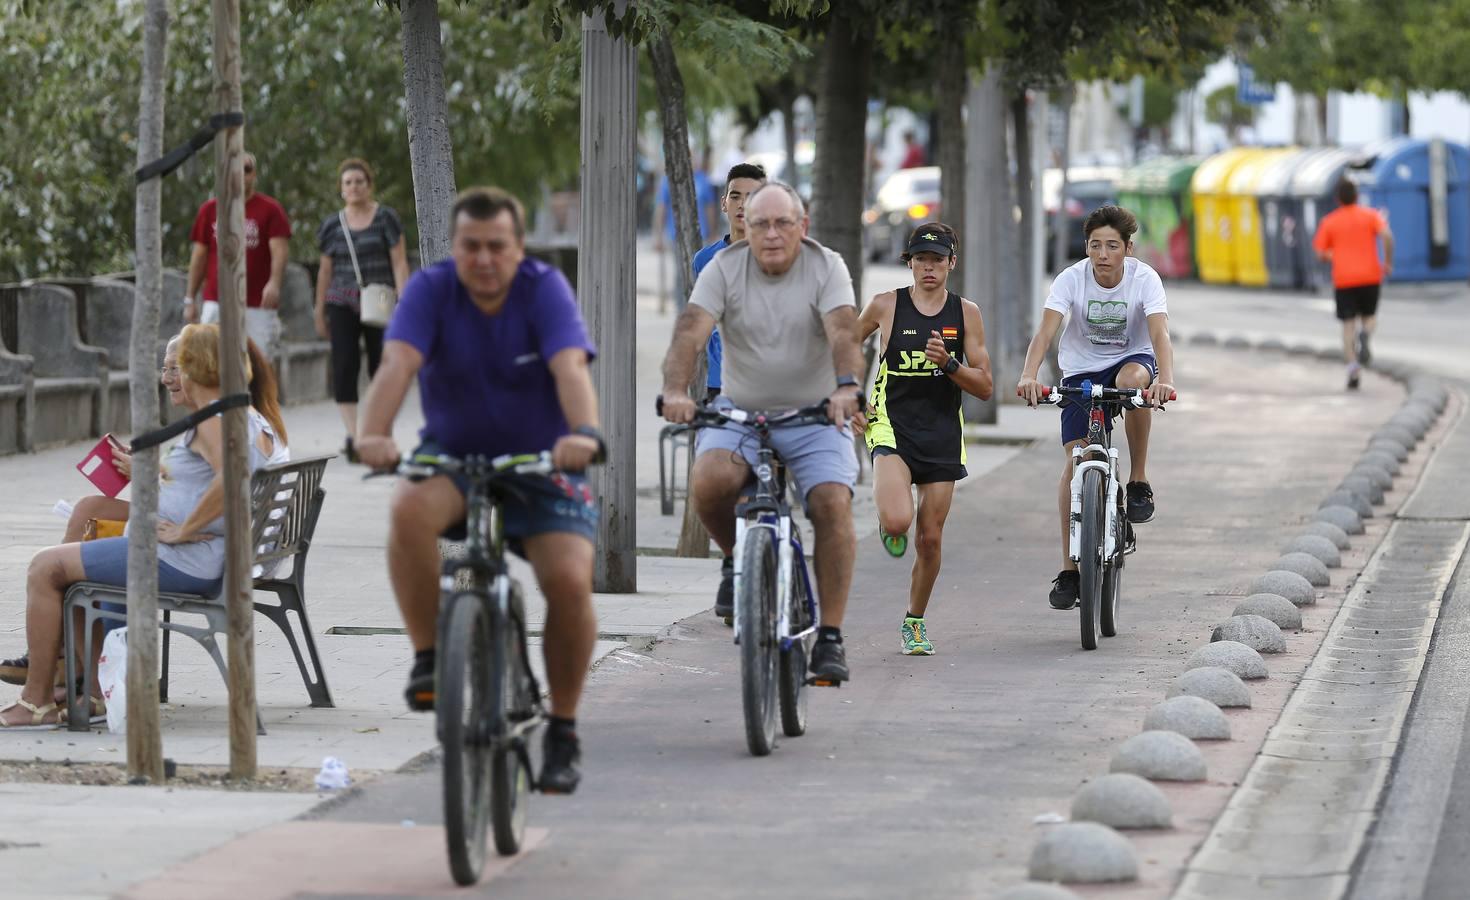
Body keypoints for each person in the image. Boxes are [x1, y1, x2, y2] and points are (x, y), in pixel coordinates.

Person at [354, 187, 603, 794]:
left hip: (543, 459)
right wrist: (371, 434)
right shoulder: (431, 291)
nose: (484, 259)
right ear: (454, 248)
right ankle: (430, 659)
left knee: (569, 581)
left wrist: (585, 433)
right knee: (408, 507)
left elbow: (570, 368)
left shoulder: (544, 289)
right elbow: (396, 366)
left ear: (519, 249)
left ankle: (564, 729)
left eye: (497, 247)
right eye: (471, 247)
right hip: (455, 456)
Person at [0, 324, 285, 729]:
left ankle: (36, 701)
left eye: (176, 366)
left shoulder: (218, 418)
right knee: (84, 529)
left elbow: (232, 478)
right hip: (205, 557)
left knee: (45, 568)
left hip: (184, 560)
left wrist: (184, 530)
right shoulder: (239, 416)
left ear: (196, 367)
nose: (170, 376)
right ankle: (87, 684)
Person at [659, 181, 864, 683]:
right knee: (707, 482)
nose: (771, 235)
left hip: (815, 412)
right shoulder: (724, 268)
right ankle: (737, 561)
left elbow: (842, 331)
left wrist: (845, 387)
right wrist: (676, 392)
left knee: (832, 503)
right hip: (741, 411)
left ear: (803, 226)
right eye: (759, 225)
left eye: (782, 223)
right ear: (743, 228)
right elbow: (690, 329)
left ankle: (830, 636)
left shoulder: (826, 266)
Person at [1016, 205, 1176, 612]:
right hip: (1081, 371)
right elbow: (1046, 332)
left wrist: (1165, 380)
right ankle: (1070, 569)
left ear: (1128, 248)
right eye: (1094, 245)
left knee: (1132, 385)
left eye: (1111, 246)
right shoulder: (1071, 279)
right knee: (1076, 463)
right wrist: (1029, 375)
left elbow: (1159, 334)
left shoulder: (1144, 279)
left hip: (1131, 362)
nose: (1102, 254)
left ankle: (1138, 480)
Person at [858, 223, 993, 655]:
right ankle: (889, 516)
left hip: (941, 432)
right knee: (899, 522)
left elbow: (986, 385)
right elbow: (841, 347)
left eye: (937, 259)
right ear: (909, 263)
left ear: (952, 263)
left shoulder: (966, 313)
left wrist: (950, 365)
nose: (928, 267)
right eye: (921, 259)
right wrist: (846, 397)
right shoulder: (885, 305)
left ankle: (914, 622)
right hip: (891, 424)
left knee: (930, 538)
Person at [314, 158, 411, 461]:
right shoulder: (331, 225)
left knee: (382, 368)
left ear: (369, 185)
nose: (354, 187)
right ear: (341, 189)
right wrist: (319, 310)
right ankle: (355, 437)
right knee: (344, 367)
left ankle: (379, 431)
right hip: (341, 302)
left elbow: (399, 262)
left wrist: (404, 302)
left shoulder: (386, 218)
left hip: (380, 301)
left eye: (359, 181)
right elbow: (324, 271)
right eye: (348, 183)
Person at [185, 151, 292, 358]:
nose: (241, 174)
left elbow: (279, 251)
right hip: (217, 300)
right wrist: (189, 299)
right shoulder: (210, 210)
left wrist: (275, 283)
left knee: (259, 363)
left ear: (254, 175)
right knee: (211, 362)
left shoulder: (271, 210)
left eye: (247, 169)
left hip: (257, 303)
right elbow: (199, 257)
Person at [691, 162, 767, 399]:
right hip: (719, 384)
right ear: (724, 203)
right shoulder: (704, 260)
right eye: (735, 197)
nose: (742, 205)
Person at [1312, 178, 1394, 390]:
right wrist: (1387, 262)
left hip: (1344, 279)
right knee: (1370, 317)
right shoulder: (1370, 216)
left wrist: (1336, 255)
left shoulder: (1330, 221)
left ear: (1338, 198)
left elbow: (1320, 253)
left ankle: (1353, 371)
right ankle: (1366, 334)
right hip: (1370, 276)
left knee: (1348, 326)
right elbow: (1386, 235)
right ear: (1357, 196)